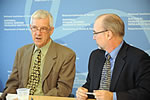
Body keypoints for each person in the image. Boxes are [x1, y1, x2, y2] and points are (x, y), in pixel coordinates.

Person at [1, 9, 76, 100]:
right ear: (30, 28)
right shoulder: (21, 52)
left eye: (43, 29)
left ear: (51, 30)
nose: (38, 33)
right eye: (34, 28)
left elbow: (63, 89)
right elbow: (12, 84)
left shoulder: (66, 55)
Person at [76, 13, 150, 100]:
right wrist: (83, 91)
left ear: (108, 34)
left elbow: (146, 92)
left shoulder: (138, 58)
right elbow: (90, 84)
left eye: (95, 33)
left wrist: (113, 97)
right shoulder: (95, 56)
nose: (94, 37)